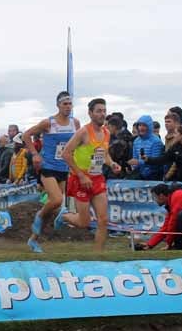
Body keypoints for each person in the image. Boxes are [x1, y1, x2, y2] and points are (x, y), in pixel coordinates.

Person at [55, 97, 122, 251]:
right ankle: (64, 216)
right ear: (90, 113)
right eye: (98, 111)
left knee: (103, 219)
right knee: (84, 223)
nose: (102, 114)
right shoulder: (83, 132)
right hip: (80, 179)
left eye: (104, 111)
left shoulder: (106, 133)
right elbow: (66, 154)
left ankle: (98, 255)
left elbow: (104, 154)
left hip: (97, 178)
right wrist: (81, 175)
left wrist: (111, 163)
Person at [23, 91, 80, 253]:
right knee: (55, 201)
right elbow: (26, 135)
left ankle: (33, 240)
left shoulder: (75, 123)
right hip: (47, 166)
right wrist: (34, 154)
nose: (68, 107)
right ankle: (40, 215)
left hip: (63, 168)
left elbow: (78, 143)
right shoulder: (48, 123)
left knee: (54, 208)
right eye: (65, 104)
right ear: (58, 105)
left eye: (70, 104)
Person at [127, 114, 164, 180]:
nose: (141, 127)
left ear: (149, 127)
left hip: (154, 176)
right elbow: (135, 158)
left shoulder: (156, 141)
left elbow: (156, 162)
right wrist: (132, 166)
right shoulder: (136, 141)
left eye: (144, 125)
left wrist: (139, 162)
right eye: (140, 125)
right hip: (140, 174)